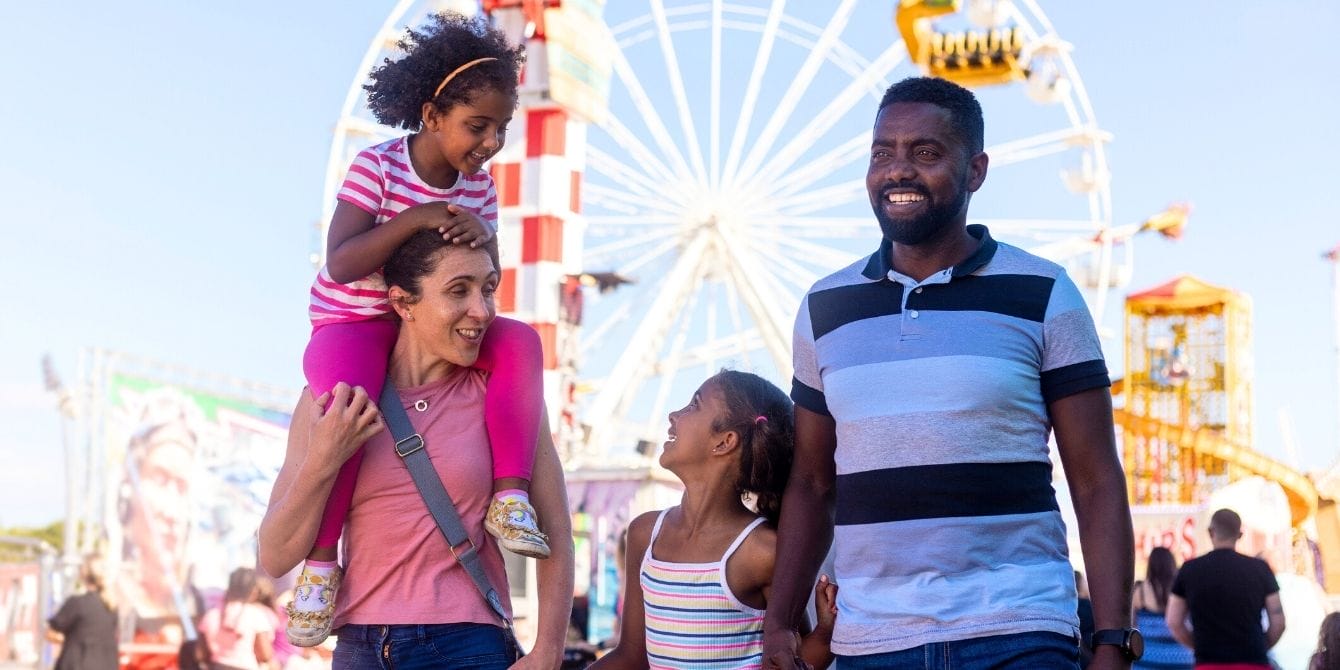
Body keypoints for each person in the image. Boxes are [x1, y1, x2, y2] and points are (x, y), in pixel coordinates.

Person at [762, 76, 1137, 670]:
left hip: (1019, 629)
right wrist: (779, 622)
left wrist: (1115, 638)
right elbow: (811, 481)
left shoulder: (1045, 293)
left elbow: (1094, 479)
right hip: (873, 640)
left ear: (977, 171)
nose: (898, 170)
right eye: (882, 152)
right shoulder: (823, 308)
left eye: (926, 153)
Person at [292, 11, 550, 646]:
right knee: (350, 416)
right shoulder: (377, 166)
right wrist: (420, 217)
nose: (490, 142)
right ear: (431, 116)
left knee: (520, 340)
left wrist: (483, 237)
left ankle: (510, 493)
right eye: (476, 126)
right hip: (354, 319)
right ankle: (323, 561)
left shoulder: (481, 189)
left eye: (501, 128)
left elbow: (482, 274)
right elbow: (344, 261)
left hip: (425, 320)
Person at [259, 231, 574, 669]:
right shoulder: (333, 401)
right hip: (359, 650)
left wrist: (548, 652)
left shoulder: (504, 397)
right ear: (404, 304)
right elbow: (275, 556)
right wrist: (324, 458)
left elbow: (555, 526)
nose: (481, 311)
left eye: (488, 289)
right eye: (458, 290)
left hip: (467, 644)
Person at [592, 371, 838, 670]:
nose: (673, 415)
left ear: (725, 442)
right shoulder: (645, 534)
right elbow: (631, 657)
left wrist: (826, 637)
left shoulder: (762, 551)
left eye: (694, 404)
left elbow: (790, 660)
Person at [1166, 509, 1285, 669]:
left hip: (1208, 663)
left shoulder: (1189, 570)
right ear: (1240, 535)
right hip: (1253, 663)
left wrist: (1200, 646)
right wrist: (1260, 647)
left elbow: (1174, 621)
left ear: (1210, 532)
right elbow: (1278, 621)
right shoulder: (1260, 569)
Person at [197, 568, 276, 670]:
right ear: (254, 591)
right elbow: (265, 655)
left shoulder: (211, 614)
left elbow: (201, 654)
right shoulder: (255, 614)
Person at [47, 556, 119, 670]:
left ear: (83, 573)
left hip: (77, 663)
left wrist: (72, 640)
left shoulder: (77, 603)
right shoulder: (111, 606)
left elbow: (51, 633)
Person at [1132, 548, 1192, 670]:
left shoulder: (1140, 591)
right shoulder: (1181, 588)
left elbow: (1131, 625)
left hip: (1147, 659)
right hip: (1182, 658)